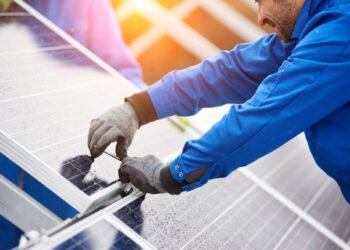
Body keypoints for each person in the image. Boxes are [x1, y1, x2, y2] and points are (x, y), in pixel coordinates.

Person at [88, 0, 350, 203]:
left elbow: (264, 117)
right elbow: (231, 71)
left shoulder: (340, 32)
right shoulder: (320, 29)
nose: (260, 19)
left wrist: (171, 175)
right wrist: (137, 108)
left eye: (260, 1)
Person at [0, 0, 143, 249]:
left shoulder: (85, 5)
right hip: (8, 145)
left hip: (60, 155)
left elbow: (124, 75)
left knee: (62, 231)